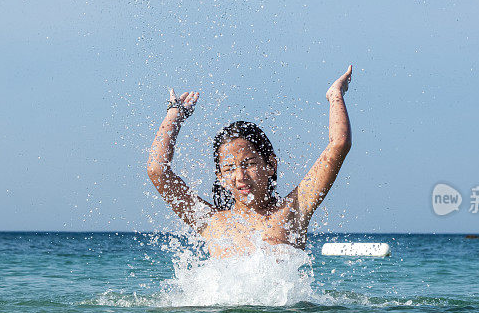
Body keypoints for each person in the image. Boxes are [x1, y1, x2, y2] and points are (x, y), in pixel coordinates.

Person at [147, 65, 353, 257]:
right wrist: (175, 114)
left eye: (249, 164)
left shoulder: (293, 211)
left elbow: (339, 144)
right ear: (220, 177)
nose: (240, 177)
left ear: (271, 165)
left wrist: (335, 95)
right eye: (229, 169)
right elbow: (157, 170)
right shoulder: (211, 223)